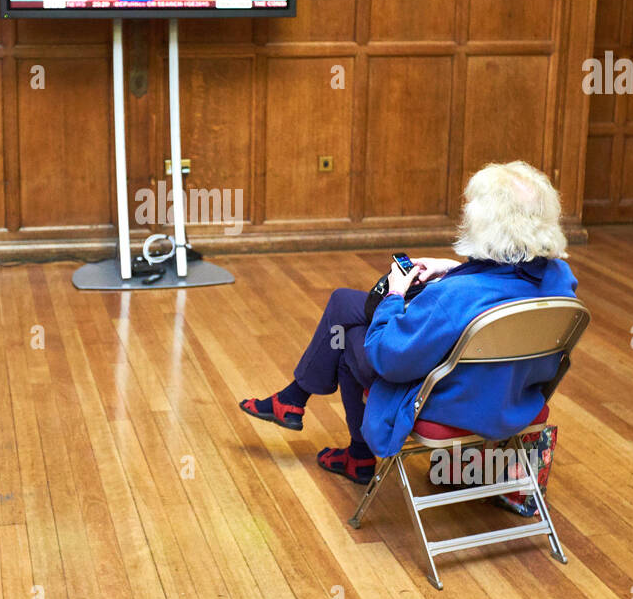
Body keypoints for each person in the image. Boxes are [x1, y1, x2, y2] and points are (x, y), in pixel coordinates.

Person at [239, 161, 577, 484]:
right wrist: (451, 267)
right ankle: (295, 402)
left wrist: (395, 295)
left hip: (454, 402)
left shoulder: (454, 296)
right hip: (513, 396)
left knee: (345, 339)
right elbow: (502, 281)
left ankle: (350, 448)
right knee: (344, 303)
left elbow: (387, 358)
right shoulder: (560, 278)